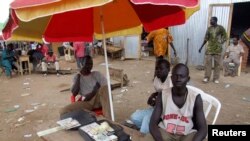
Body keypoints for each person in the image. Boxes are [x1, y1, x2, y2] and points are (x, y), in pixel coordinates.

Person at [145, 63, 207, 141]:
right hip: (165, 132)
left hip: (187, 134)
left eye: (182, 76)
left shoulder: (195, 98)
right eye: (176, 76)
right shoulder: (163, 95)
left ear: (188, 79)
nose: (178, 79)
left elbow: (203, 129)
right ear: (171, 78)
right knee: (148, 138)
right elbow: (152, 124)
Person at [60, 55, 111, 120]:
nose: (89, 66)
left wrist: (95, 91)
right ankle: (91, 114)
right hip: (86, 102)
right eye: (87, 64)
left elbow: (107, 88)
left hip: (98, 100)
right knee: (63, 111)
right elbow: (74, 93)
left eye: (91, 63)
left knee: (105, 88)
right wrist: (79, 75)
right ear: (81, 64)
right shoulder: (77, 77)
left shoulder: (97, 74)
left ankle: (108, 119)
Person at [128, 59, 172, 134]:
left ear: (168, 70)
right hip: (156, 108)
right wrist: (152, 96)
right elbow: (159, 92)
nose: (158, 70)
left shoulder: (171, 81)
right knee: (134, 117)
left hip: (167, 111)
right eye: (156, 68)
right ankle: (153, 128)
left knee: (147, 120)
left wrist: (158, 102)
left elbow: (172, 100)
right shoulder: (156, 79)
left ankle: (145, 134)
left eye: (161, 69)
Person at [199, 16, 227, 84]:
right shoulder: (209, 29)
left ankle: (216, 78)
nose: (210, 21)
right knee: (208, 63)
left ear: (215, 21)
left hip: (218, 49)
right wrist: (201, 47)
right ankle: (206, 77)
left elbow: (225, 36)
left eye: (211, 20)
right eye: (210, 20)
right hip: (210, 49)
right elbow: (206, 38)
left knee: (217, 64)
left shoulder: (220, 28)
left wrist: (221, 42)